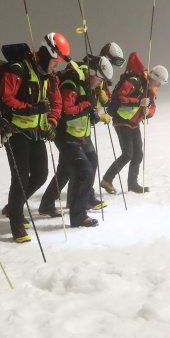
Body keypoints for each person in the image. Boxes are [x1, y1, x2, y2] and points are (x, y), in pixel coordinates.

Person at [0, 33, 68, 242]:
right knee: (20, 178)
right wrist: (31, 109)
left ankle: (13, 208)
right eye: (55, 62)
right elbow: (6, 98)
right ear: (47, 55)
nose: (56, 67)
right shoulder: (19, 70)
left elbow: (56, 104)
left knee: (40, 175)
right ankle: (17, 224)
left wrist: (53, 123)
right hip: (17, 132)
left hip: (37, 133)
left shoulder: (51, 77)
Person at [39, 56, 113, 223]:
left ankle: (48, 204)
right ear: (92, 73)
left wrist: (95, 114)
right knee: (84, 170)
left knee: (71, 168)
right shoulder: (71, 84)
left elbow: (87, 110)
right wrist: (87, 106)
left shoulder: (87, 86)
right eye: (100, 79)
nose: (100, 83)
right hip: (67, 134)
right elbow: (66, 111)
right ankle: (78, 214)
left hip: (81, 134)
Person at [101, 55, 168, 194]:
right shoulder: (135, 81)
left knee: (138, 154)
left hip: (134, 123)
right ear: (154, 77)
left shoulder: (149, 90)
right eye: (159, 82)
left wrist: (147, 112)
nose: (160, 85)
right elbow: (118, 97)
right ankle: (107, 179)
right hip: (121, 121)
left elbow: (151, 108)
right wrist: (138, 103)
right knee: (127, 154)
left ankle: (132, 184)